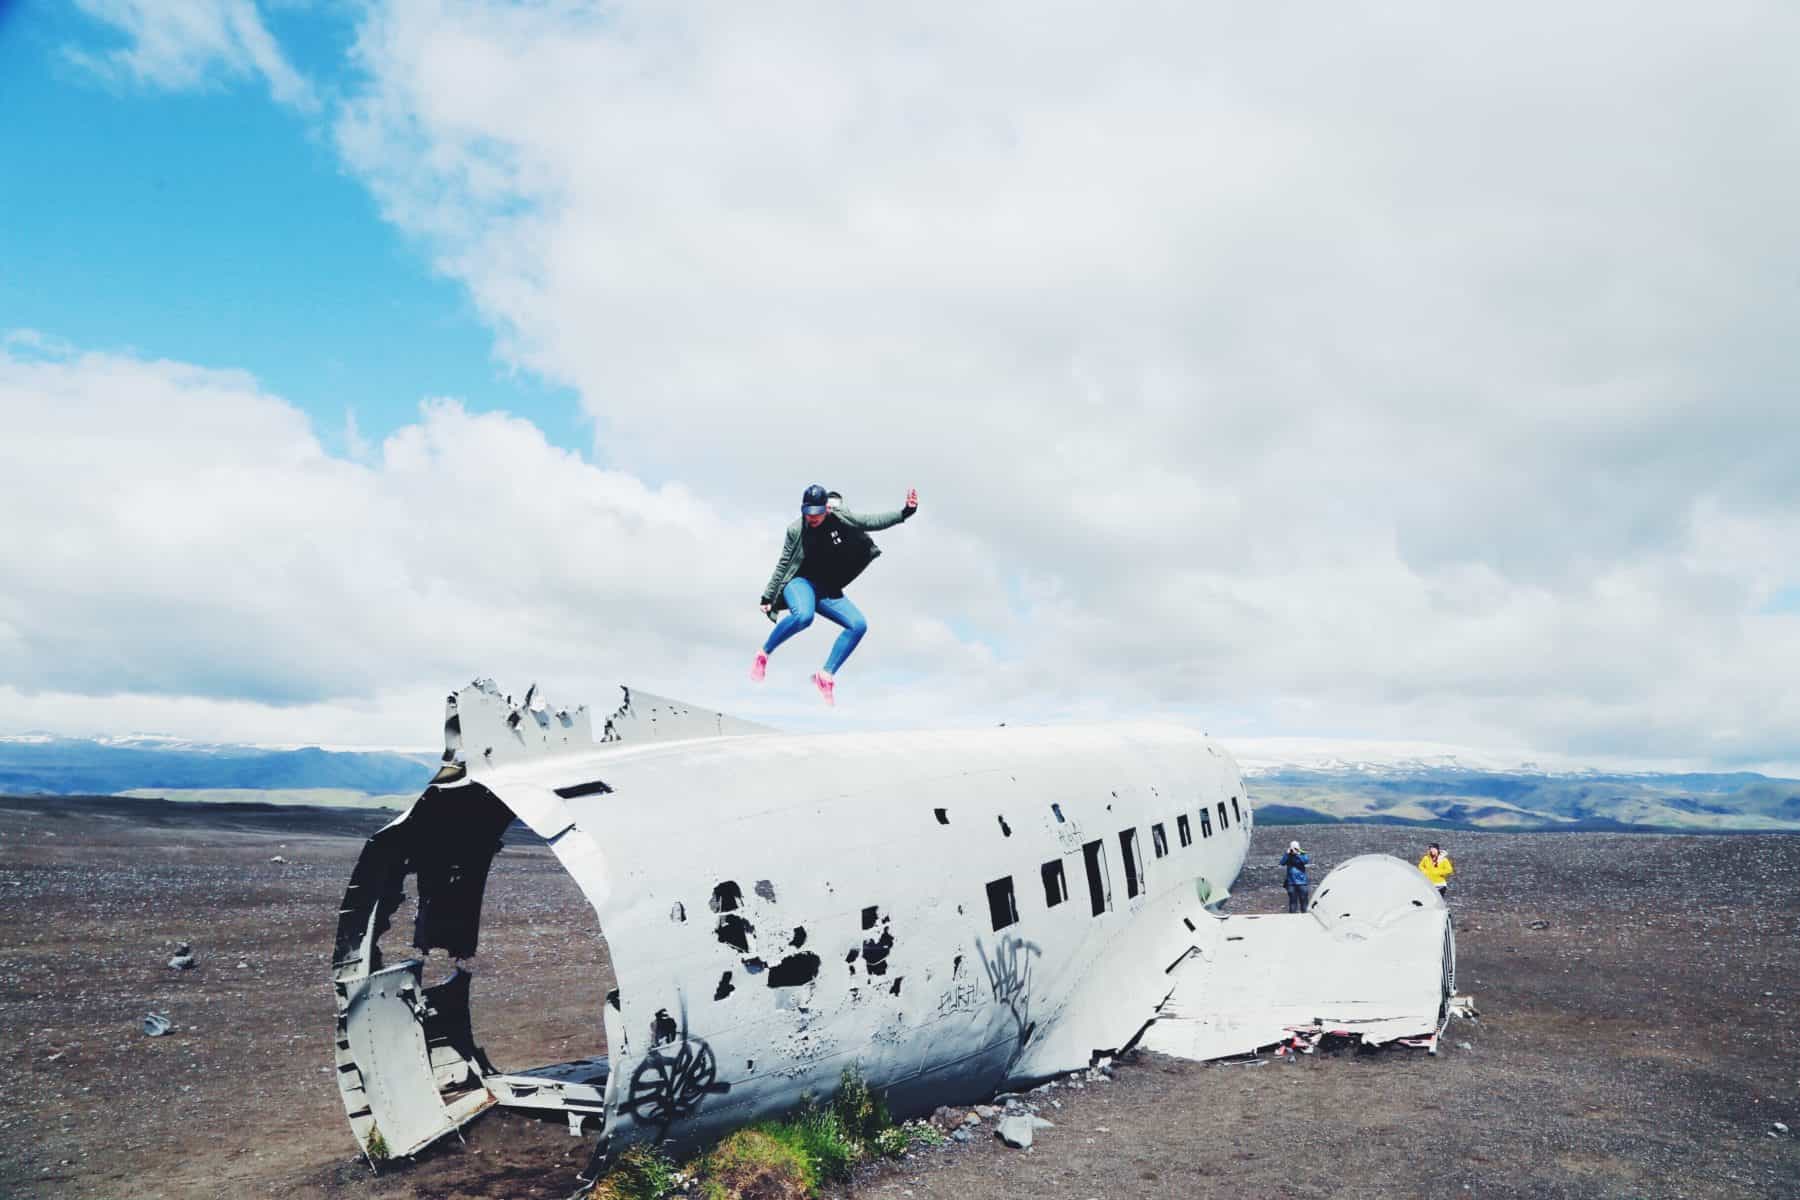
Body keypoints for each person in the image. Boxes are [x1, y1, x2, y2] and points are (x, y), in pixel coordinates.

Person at [751, 483, 918, 705]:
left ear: (826, 508)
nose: (812, 518)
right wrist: (768, 595)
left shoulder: (841, 518)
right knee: (804, 617)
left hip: (825, 589)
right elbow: (783, 563)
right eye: (808, 513)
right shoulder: (796, 530)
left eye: (817, 513)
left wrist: (905, 512)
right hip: (800, 583)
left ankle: (825, 675)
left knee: (858, 625)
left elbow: (871, 521)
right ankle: (763, 654)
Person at [1279, 841, 1311, 913]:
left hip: (1302, 882)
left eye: (1295, 848)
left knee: (1304, 901)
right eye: (1293, 848)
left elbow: (1305, 861)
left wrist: (1297, 854)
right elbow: (1282, 863)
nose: (1294, 850)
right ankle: (1292, 917)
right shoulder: (1288, 855)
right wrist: (1287, 854)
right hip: (1291, 883)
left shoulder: (1302, 854)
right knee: (1292, 902)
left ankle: (1304, 916)